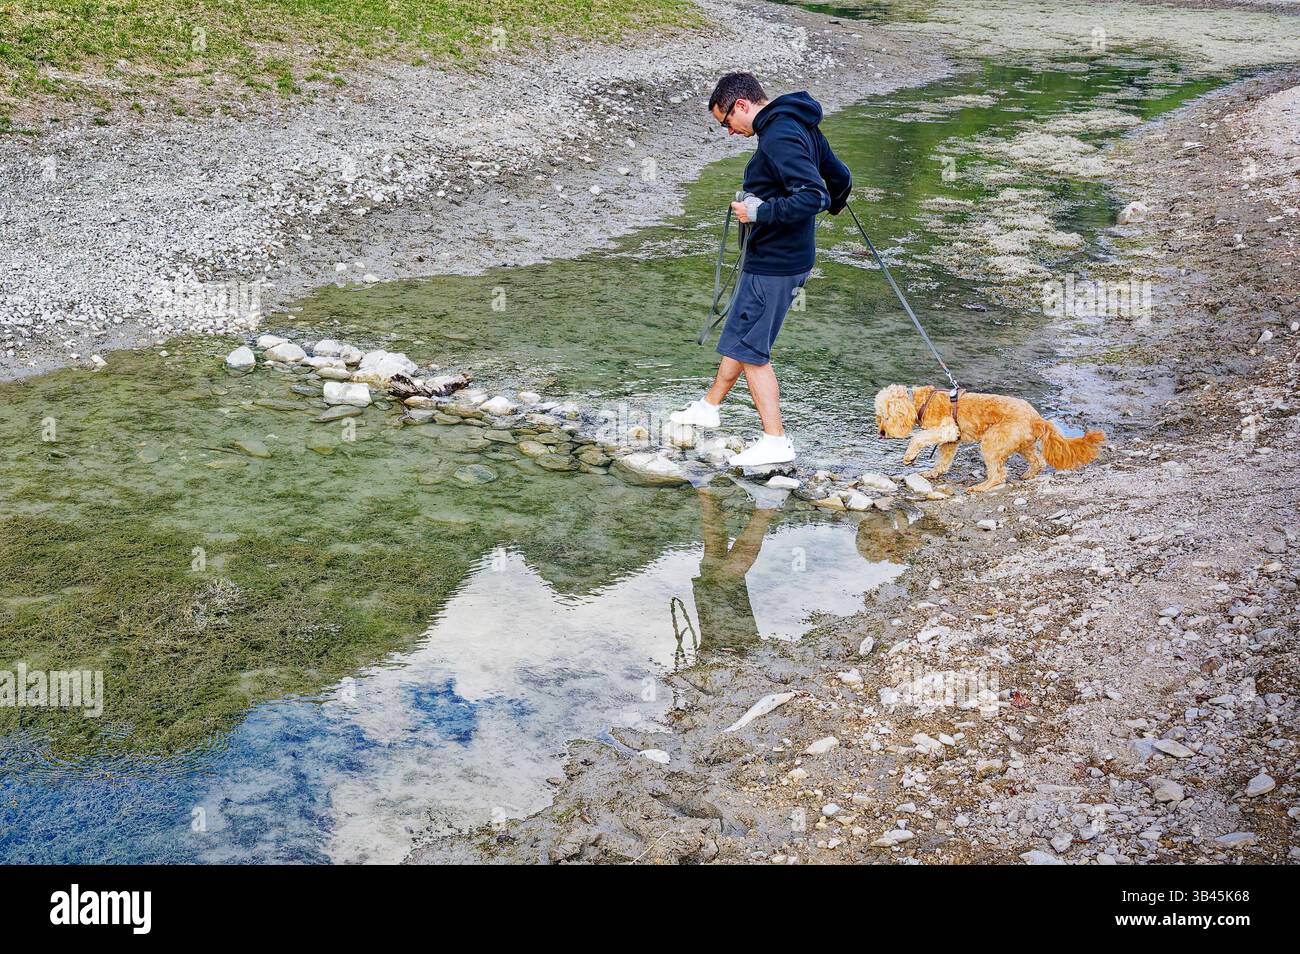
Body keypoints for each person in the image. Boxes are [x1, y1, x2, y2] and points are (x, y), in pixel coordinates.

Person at [671, 72, 852, 468]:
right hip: (780, 257)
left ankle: (775, 440)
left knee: (752, 351)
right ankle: (708, 407)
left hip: (775, 263)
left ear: (741, 105)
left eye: (726, 122)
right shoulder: (798, 120)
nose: (729, 132)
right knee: (740, 332)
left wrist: (759, 211)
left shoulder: (779, 134)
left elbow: (813, 195)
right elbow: (839, 178)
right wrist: (835, 201)